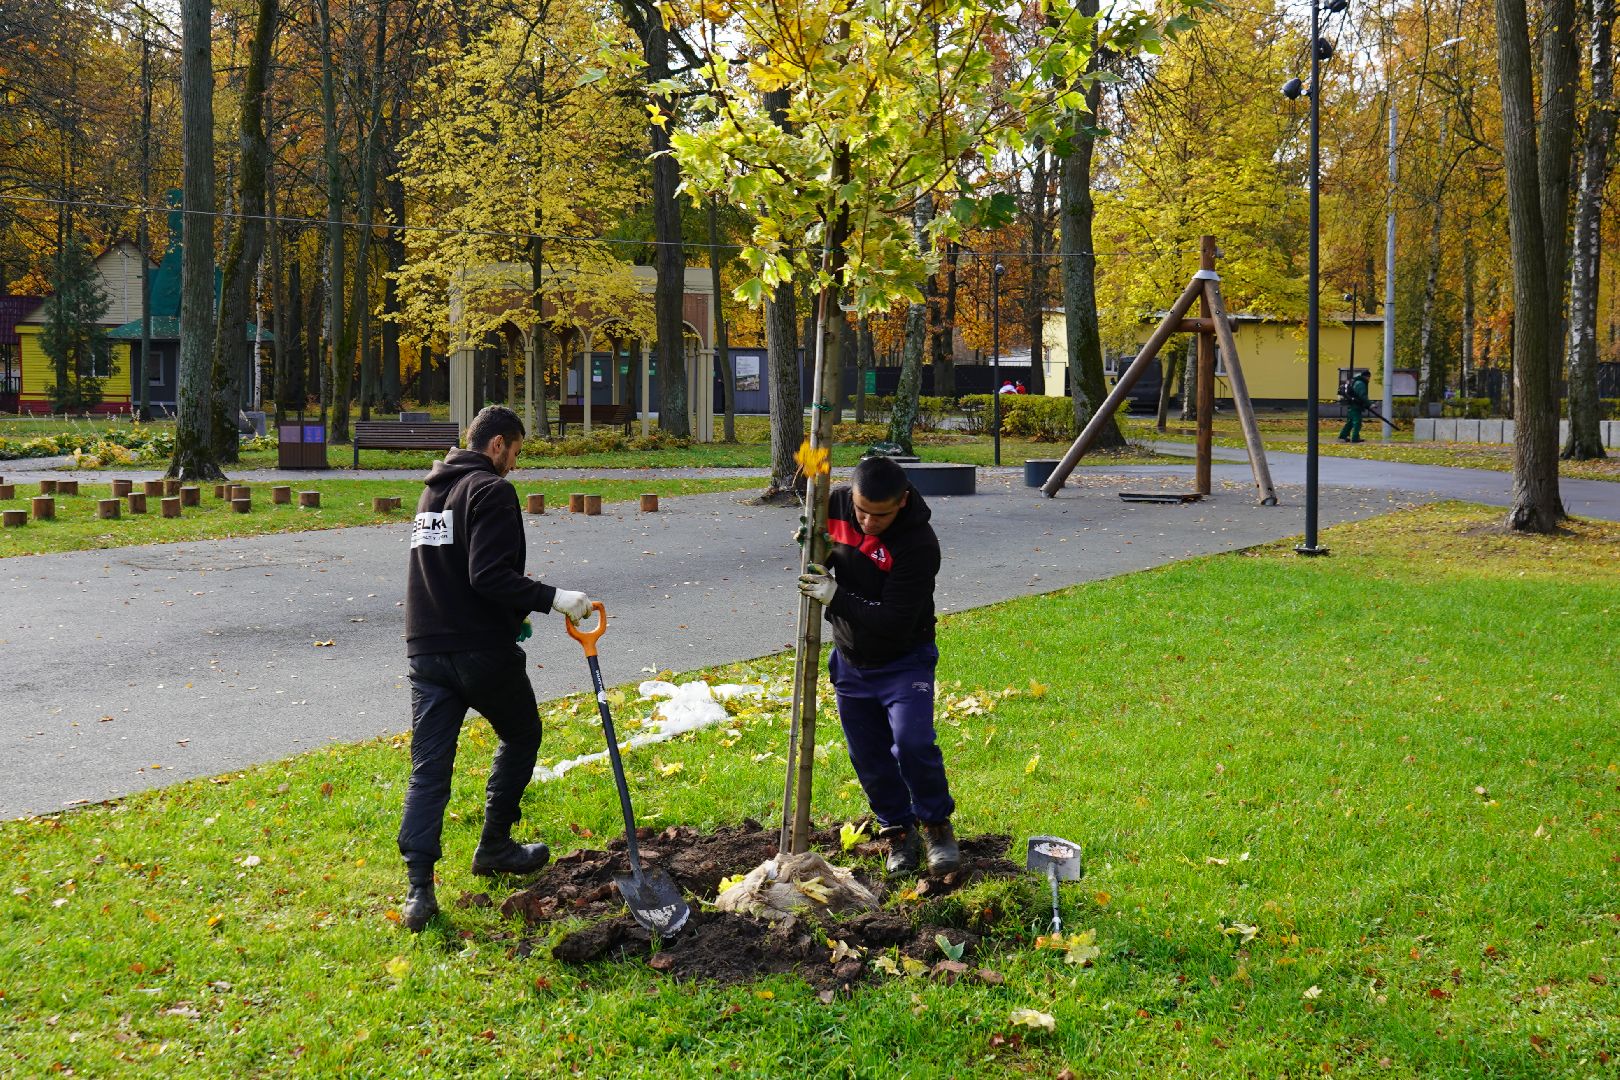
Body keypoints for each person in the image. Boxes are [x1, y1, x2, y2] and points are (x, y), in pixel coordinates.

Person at [398, 405, 593, 931]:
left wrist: (513, 613)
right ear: (498, 444)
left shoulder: (432, 492)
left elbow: (452, 572)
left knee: (429, 767)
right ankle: (495, 844)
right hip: (479, 650)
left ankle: (419, 892)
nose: (514, 465)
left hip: (427, 649)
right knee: (523, 732)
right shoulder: (491, 490)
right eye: (515, 453)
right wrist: (555, 598)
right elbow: (487, 574)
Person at [798, 456, 959, 878]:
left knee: (912, 743)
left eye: (880, 514)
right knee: (868, 755)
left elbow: (893, 620)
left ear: (902, 502)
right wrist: (814, 546)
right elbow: (824, 560)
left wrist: (836, 596)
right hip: (851, 660)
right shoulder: (832, 505)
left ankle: (936, 824)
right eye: (861, 510)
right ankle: (897, 831)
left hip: (905, 660)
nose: (868, 522)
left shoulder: (919, 544)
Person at [1338, 369, 1370, 444]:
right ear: (1367, 377)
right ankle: (1355, 438)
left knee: (1350, 422)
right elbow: (1363, 395)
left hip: (1352, 404)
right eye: (1369, 377)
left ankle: (1343, 436)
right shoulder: (1361, 383)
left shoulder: (1356, 382)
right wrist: (1370, 404)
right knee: (1357, 422)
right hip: (1356, 405)